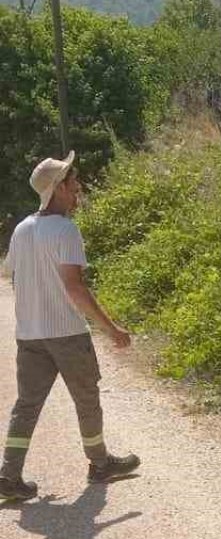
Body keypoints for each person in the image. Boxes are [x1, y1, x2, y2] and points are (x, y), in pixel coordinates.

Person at [0, 152, 141, 502]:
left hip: (30, 335)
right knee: (86, 398)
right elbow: (75, 288)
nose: (78, 187)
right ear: (58, 188)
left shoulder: (21, 229)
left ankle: (8, 475)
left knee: (27, 405)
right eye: (73, 182)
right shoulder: (65, 229)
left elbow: (16, 278)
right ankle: (99, 464)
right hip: (66, 333)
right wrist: (112, 329)